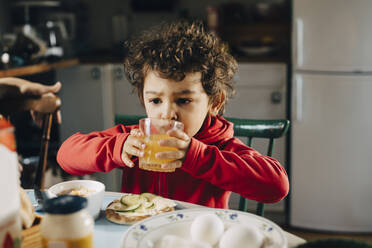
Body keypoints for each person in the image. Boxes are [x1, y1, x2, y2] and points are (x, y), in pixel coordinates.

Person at [57, 21, 289, 208]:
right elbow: (66, 156)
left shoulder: (221, 147)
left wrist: (197, 157)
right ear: (143, 100)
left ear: (214, 103)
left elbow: (277, 186)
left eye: (184, 100)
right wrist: (118, 148)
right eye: (155, 100)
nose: (167, 114)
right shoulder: (136, 140)